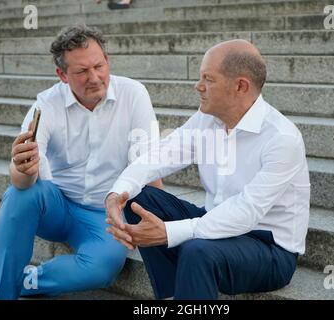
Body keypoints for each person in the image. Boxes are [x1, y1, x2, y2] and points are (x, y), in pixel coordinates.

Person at [0, 24, 162, 299]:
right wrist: (22, 169)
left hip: (106, 214)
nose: (95, 77)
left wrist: (162, 223)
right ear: (62, 75)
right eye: (81, 71)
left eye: (99, 66)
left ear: (107, 61)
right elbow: (21, 177)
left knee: (102, 269)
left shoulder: (134, 94)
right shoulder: (46, 104)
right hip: (57, 206)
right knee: (21, 193)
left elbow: (148, 166)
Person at [106, 39, 310, 300]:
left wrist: (168, 233)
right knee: (138, 198)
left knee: (197, 251)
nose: (198, 86)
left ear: (240, 86)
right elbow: (162, 154)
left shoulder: (282, 138)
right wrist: (117, 193)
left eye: (208, 79)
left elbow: (246, 213)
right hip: (212, 222)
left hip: (268, 249)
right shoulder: (207, 119)